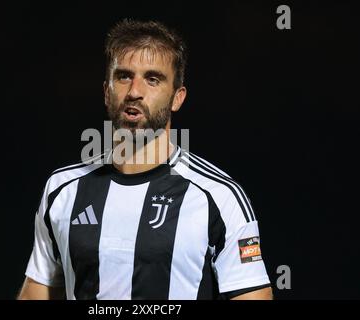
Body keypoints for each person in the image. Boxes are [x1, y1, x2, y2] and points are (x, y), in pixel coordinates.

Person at [18, 19, 272, 300]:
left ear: (177, 97)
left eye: (153, 79)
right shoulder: (62, 190)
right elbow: (37, 293)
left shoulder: (219, 197)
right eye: (124, 76)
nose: (134, 91)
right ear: (106, 91)